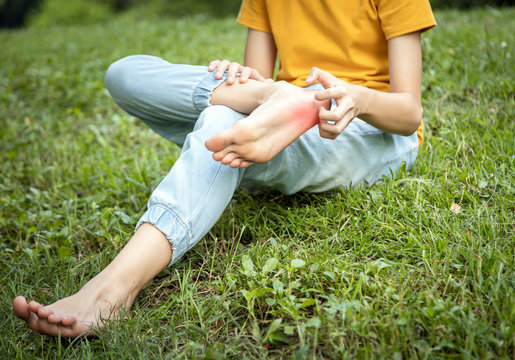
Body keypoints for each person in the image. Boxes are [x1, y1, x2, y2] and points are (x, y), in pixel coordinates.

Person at [12, 0, 436, 338]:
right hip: (280, 115)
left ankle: (111, 290)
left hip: (365, 129)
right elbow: (253, 77)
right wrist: (245, 82)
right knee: (124, 74)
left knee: (220, 122)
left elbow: (409, 113)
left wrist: (353, 99)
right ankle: (292, 99)